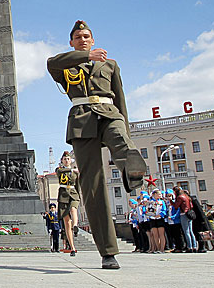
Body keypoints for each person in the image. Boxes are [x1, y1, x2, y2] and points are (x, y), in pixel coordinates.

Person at [47, 20, 147, 269]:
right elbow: (51, 63)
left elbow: (121, 100)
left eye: (87, 36)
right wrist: (84, 56)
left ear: (94, 39)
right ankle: (108, 252)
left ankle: (130, 167)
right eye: (78, 37)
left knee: (122, 143)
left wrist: (129, 131)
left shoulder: (110, 65)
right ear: (72, 42)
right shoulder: (67, 65)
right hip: (82, 120)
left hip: (110, 113)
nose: (83, 38)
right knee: (92, 185)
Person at [55, 151, 80, 256]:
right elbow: (61, 172)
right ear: (62, 161)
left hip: (73, 193)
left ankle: (75, 226)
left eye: (68, 159)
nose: (66, 160)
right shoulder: (59, 170)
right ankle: (72, 247)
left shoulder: (75, 173)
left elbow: (77, 184)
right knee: (66, 222)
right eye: (65, 159)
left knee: (73, 209)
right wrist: (73, 169)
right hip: (63, 195)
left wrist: (78, 195)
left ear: (71, 160)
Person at [173, 186, 197, 253]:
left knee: (186, 231)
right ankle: (194, 246)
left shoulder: (180, 197)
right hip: (189, 214)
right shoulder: (186, 196)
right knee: (191, 231)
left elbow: (176, 206)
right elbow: (191, 205)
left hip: (184, 214)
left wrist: (171, 201)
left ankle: (189, 247)